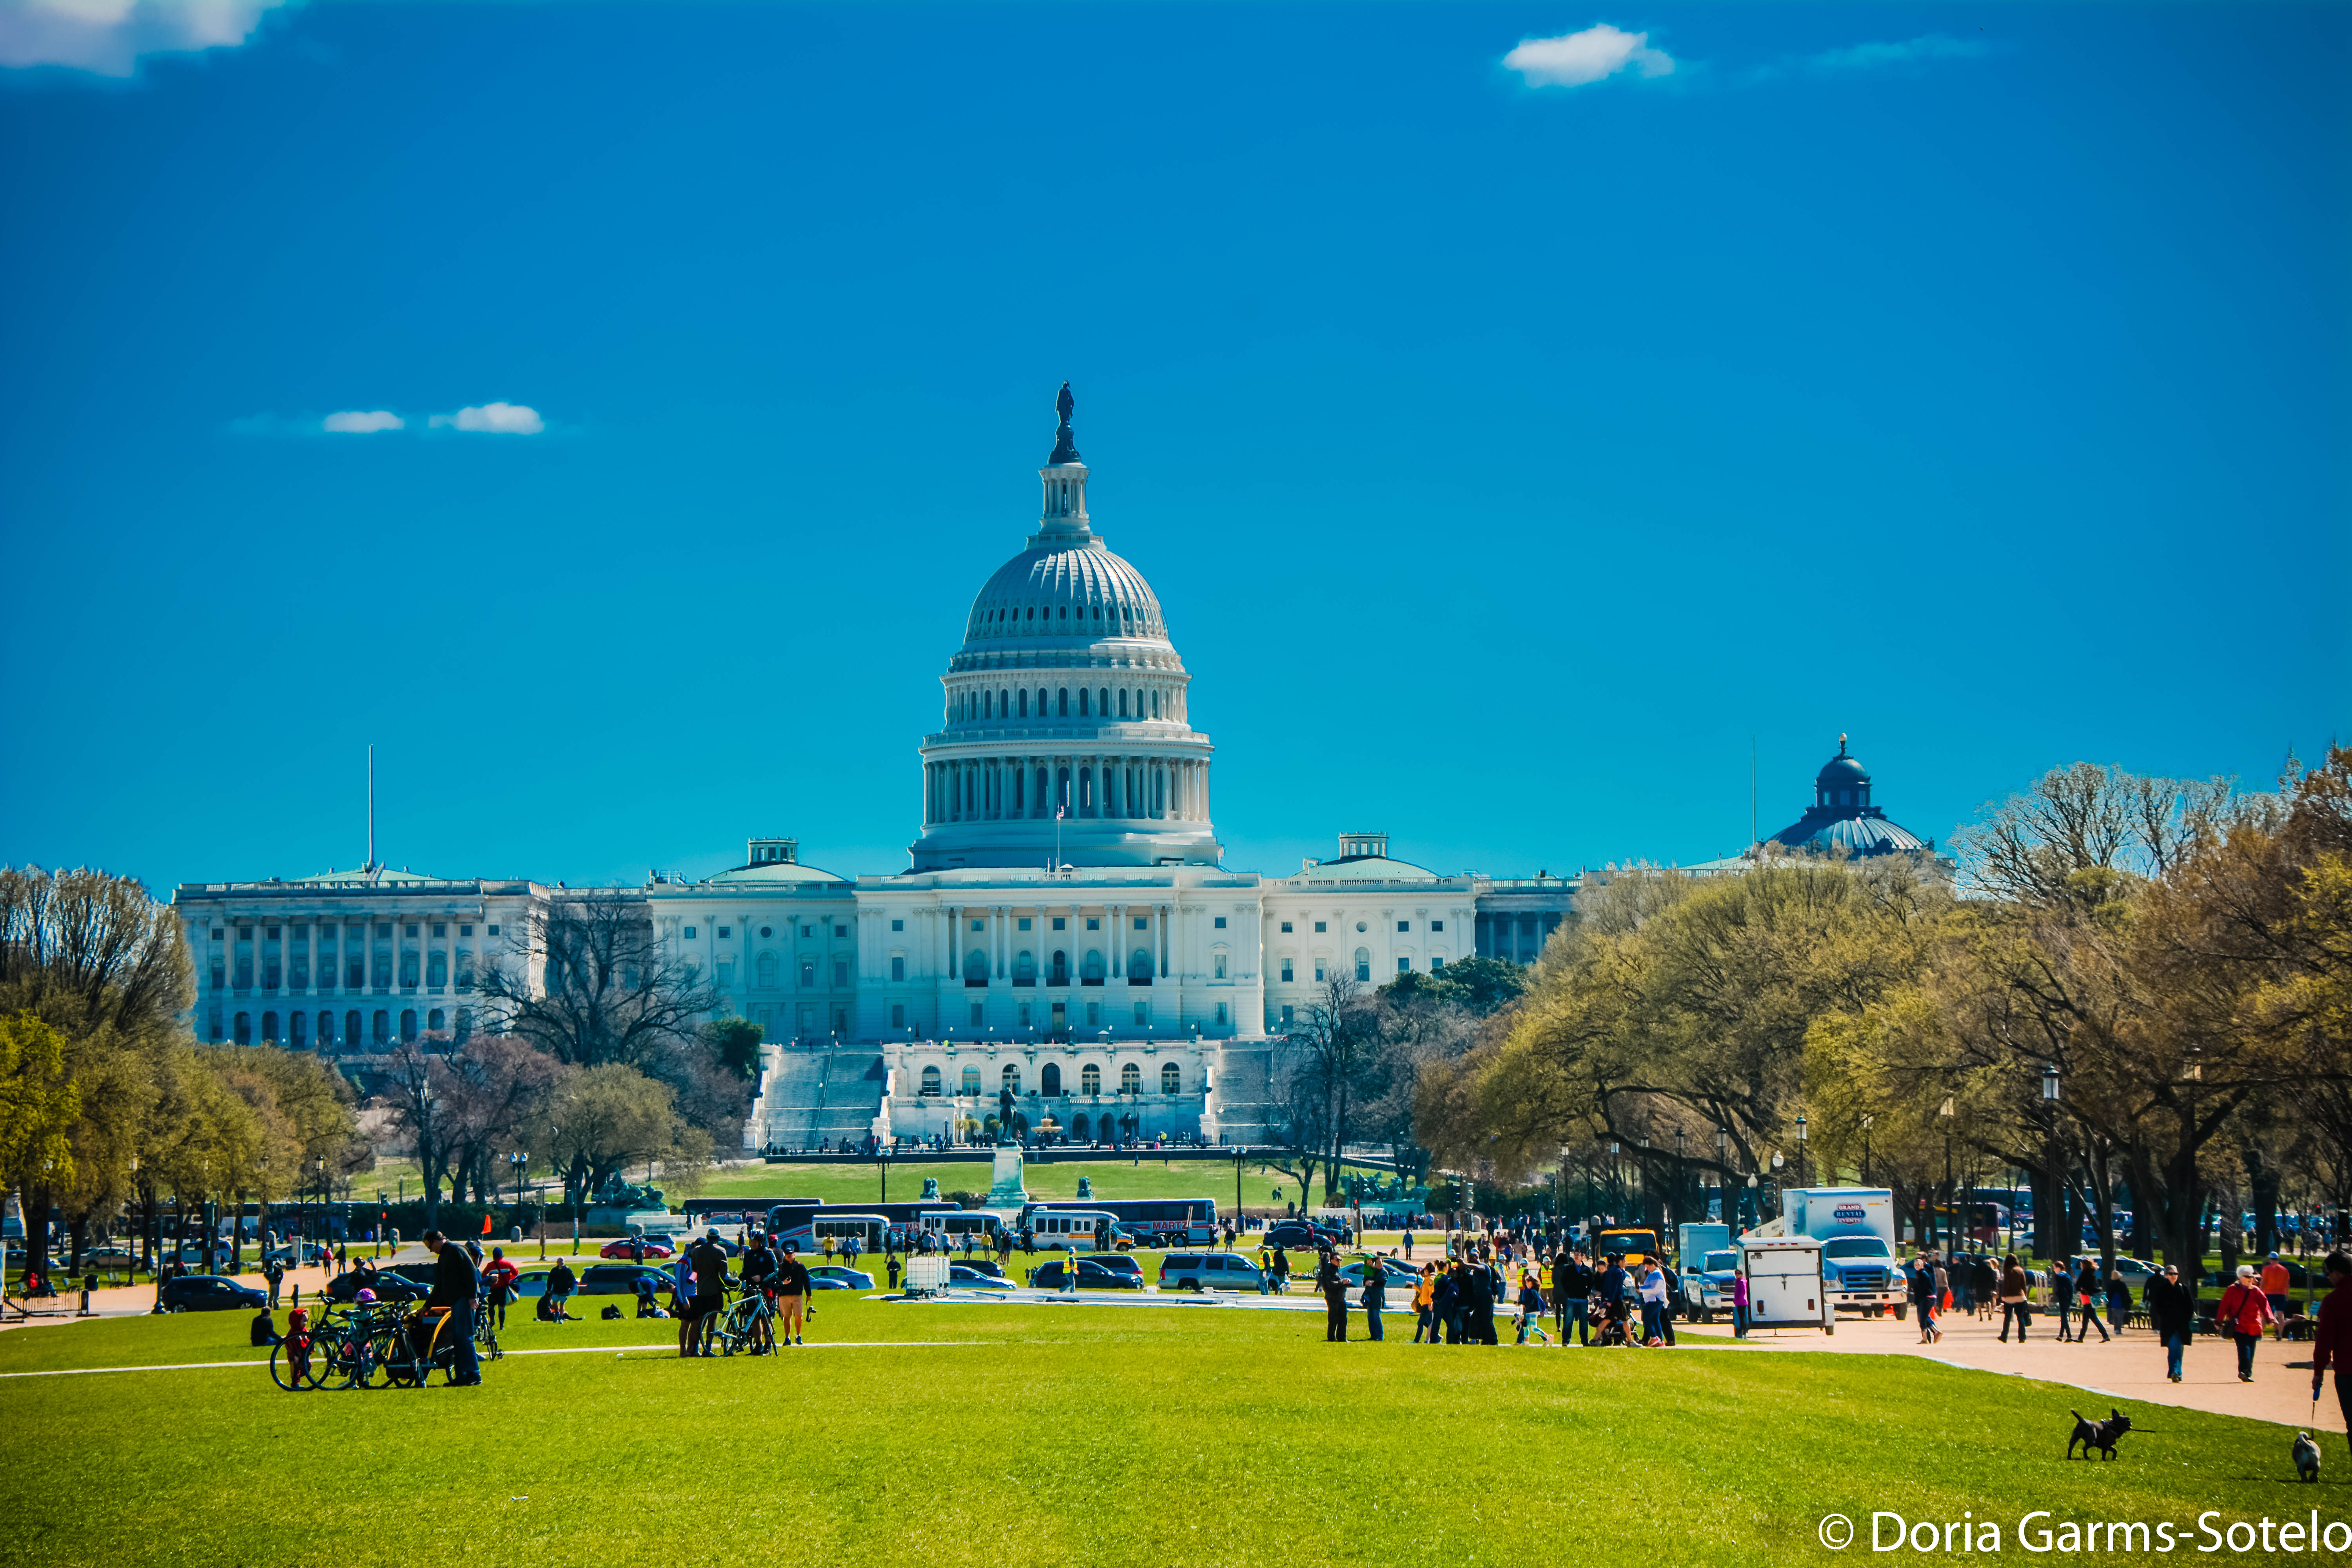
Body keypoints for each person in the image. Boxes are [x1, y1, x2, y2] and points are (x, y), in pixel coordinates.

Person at [421, 1229, 481, 1387]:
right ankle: (463, 1375)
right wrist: (426, 1306)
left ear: (436, 1241)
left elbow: (471, 1272)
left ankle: (474, 1375)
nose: (431, 1250)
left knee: (465, 1337)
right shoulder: (444, 1256)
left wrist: (472, 1296)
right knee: (458, 1338)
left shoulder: (456, 1250)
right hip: (457, 1301)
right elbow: (439, 1285)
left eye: (430, 1246)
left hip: (465, 1299)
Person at [2308, 1252, 2352, 1463]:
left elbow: (2325, 1341)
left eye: (2328, 1275)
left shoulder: (2334, 1300)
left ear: (2336, 1273)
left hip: (2348, 1370)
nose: (2328, 1279)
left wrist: (2318, 1372)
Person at [2218, 1263, 2276, 1382]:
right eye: (2247, 1277)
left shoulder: (2256, 1291)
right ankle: (2244, 1372)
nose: (2250, 1279)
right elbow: (2224, 1306)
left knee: (2251, 1350)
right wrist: (2219, 1321)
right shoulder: (2232, 1290)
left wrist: (2270, 1318)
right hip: (2238, 1326)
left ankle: (2247, 1373)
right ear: (2240, 1277)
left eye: (2251, 1276)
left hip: (2254, 1326)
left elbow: (2265, 1306)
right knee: (2244, 1349)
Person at [682, 1230, 730, 1357]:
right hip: (715, 1291)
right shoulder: (721, 1251)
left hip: (701, 1291)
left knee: (699, 1321)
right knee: (712, 1321)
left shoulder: (697, 1250)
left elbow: (695, 1269)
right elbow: (724, 1273)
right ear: (718, 1238)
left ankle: (695, 1347)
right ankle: (708, 1348)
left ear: (707, 1237)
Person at [2146, 1261, 2194, 1381]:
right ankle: (2175, 1372)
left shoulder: (2184, 1288)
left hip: (2182, 1325)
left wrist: (2187, 1318)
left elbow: (2190, 1306)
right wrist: (2165, 1317)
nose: (2174, 1276)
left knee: (2180, 1350)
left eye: (2176, 1274)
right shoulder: (2162, 1289)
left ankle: (2177, 1373)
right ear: (2166, 1275)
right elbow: (2158, 1306)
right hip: (2169, 1325)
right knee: (2174, 1349)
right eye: (2171, 1274)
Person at [775, 1242, 811, 1345]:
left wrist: (809, 1294)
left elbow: (806, 1280)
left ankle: (798, 1336)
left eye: (791, 1255)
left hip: (797, 1295)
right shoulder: (781, 1267)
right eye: (787, 1255)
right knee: (787, 1317)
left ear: (794, 1255)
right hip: (784, 1295)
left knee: (799, 1316)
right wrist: (782, 1283)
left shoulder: (800, 1266)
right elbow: (776, 1280)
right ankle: (787, 1338)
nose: (789, 1257)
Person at [2072, 1258, 2110, 1343]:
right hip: (2091, 1298)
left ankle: (2105, 1336)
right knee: (2086, 1320)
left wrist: (2081, 1289)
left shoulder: (2084, 1274)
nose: (2081, 1267)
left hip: (2087, 1299)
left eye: (2082, 1265)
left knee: (2093, 1319)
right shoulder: (2093, 1273)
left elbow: (2078, 1286)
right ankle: (2081, 1338)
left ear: (2084, 1266)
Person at [1558, 1249, 1591, 1347]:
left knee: (1584, 1322)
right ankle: (1565, 1340)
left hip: (1583, 1300)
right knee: (1568, 1320)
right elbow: (1563, 1281)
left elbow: (1591, 1283)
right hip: (1571, 1299)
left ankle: (1585, 1341)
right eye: (1575, 1255)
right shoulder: (1569, 1269)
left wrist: (1587, 1292)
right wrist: (1568, 1292)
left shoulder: (1587, 1270)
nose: (1576, 1257)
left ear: (1583, 1257)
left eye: (1578, 1255)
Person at [481, 1247, 519, 1329]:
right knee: (502, 1309)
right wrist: (509, 1278)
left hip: (493, 1289)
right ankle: (502, 1326)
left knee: (491, 1307)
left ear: (493, 1256)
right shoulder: (508, 1264)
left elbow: (483, 1276)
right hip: (503, 1289)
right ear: (502, 1255)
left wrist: (489, 1281)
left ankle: (492, 1321)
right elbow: (516, 1273)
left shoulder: (490, 1265)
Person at [1996, 1255, 2031, 1342]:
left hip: (2010, 1296)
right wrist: (2025, 1296)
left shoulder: (2007, 1271)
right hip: (2020, 1296)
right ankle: (2022, 1337)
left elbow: (2007, 1284)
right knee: (2021, 1317)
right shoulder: (2020, 1270)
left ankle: (2004, 1336)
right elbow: (2024, 1285)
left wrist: (2003, 1296)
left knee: (2007, 1318)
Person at [1637, 1258, 1670, 1347]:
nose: (1647, 1269)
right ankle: (1660, 1341)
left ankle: (1655, 1337)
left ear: (1653, 1265)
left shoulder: (1656, 1274)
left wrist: (1640, 1289)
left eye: (1647, 1267)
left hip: (1655, 1300)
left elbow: (1654, 1289)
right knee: (1655, 1320)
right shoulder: (1655, 1273)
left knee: (1646, 1318)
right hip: (1656, 1300)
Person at [1913, 1250, 1942, 1344]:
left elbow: (1924, 1285)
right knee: (1922, 1318)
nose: (1917, 1261)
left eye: (1920, 1259)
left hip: (1927, 1296)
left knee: (1923, 1318)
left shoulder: (1926, 1270)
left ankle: (1930, 1336)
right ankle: (1930, 1336)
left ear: (1924, 1260)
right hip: (1924, 1296)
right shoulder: (1921, 1271)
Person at [543, 1258, 577, 1323]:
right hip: (556, 1290)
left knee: (562, 1305)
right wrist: (549, 1289)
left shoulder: (568, 1270)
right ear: (557, 1262)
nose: (562, 1262)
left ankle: (561, 1318)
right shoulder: (554, 1270)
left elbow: (573, 1279)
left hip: (564, 1291)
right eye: (560, 1261)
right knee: (555, 1304)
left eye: (563, 1261)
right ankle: (557, 1315)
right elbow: (550, 1280)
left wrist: (571, 1288)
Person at [2049, 1258, 2074, 1343]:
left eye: (2055, 1268)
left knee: (2064, 1317)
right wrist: (2071, 1299)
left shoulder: (2059, 1277)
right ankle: (2061, 1335)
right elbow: (2071, 1289)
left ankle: (2069, 1336)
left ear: (2059, 1268)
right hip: (2068, 1299)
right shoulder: (2068, 1276)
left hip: (2063, 1298)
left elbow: (2061, 1288)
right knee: (2064, 1317)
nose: (2054, 1270)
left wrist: (2057, 1294)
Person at [1361, 1255, 1386, 1341]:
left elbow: (1381, 1282)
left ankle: (1380, 1336)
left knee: (1376, 1317)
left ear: (1383, 1263)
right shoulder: (1374, 1271)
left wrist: (1372, 1282)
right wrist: (1366, 1282)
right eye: (1377, 1263)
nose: (1378, 1264)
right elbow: (1366, 1279)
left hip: (1378, 1298)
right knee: (1370, 1317)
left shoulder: (1384, 1273)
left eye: (1380, 1263)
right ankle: (1373, 1336)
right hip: (1370, 1298)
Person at [2263, 1253, 2292, 1327]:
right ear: (2278, 1259)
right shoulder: (2285, 1270)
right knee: (2281, 1315)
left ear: (2270, 1259)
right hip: (2281, 1294)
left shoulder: (2266, 1269)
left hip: (2269, 1294)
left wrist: (2261, 1292)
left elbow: (2263, 1283)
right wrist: (2287, 1295)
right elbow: (2287, 1285)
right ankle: (2280, 1335)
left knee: (2264, 1314)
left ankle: (2260, 1334)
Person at [1412, 1263, 1437, 1343]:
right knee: (1430, 1323)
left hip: (1428, 1304)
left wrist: (1431, 1303)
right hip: (1426, 1304)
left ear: (1427, 1271)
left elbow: (1431, 1292)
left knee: (1421, 1323)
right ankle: (1436, 1338)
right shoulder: (1428, 1279)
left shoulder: (1430, 1280)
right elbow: (1423, 1292)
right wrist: (1417, 1287)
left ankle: (1416, 1340)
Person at [1731, 1263, 1750, 1338]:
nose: (1737, 1275)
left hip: (1741, 1302)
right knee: (1741, 1317)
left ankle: (1743, 1332)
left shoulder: (1741, 1282)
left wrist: (1737, 1300)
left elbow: (1742, 1292)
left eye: (1738, 1274)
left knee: (1742, 1318)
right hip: (1741, 1302)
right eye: (1736, 1274)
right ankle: (1743, 1332)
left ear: (1741, 1274)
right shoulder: (1738, 1282)